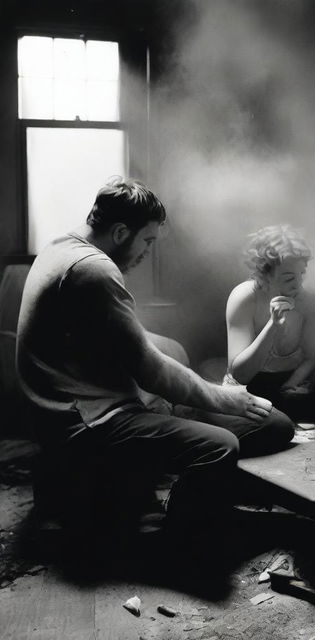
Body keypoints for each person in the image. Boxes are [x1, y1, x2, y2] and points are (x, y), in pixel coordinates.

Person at [16, 177, 294, 545]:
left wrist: (178, 371)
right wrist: (229, 398)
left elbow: (131, 341)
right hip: (88, 420)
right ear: (119, 232)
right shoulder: (93, 270)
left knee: (275, 425)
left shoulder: (61, 246)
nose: (147, 253)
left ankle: (210, 490)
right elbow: (151, 370)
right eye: (146, 241)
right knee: (220, 445)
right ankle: (174, 534)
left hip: (98, 399)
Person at [225, 224, 315, 422]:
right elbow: (240, 375)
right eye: (288, 278)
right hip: (247, 387)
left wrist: (290, 385)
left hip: (289, 382)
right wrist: (273, 325)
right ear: (265, 275)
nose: (298, 284)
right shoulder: (244, 297)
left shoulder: (310, 298)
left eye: (301, 274)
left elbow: (311, 356)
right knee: (278, 426)